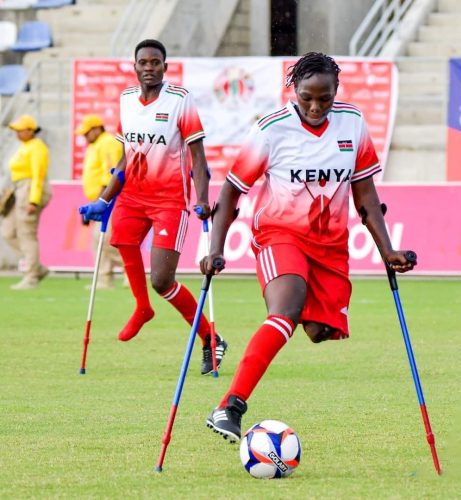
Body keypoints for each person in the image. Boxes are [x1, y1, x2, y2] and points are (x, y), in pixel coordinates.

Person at [200, 52, 416, 441]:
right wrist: (216, 248)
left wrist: (389, 250)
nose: (315, 107)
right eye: (306, 98)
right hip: (279, 233)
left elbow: (365, 194)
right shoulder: (271, 129)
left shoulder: (353, 124)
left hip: (331, 246)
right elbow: (231, 193)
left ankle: (285, 320)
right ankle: (229, 406)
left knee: (318, 330)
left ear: (336, 92)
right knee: (287, 307)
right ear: (292, 91)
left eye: (325, 98)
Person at [79, 39, 228, 375]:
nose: (149, 68)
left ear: (164, 66)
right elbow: (123, 159)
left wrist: (201, 200)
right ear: (135, 66)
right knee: (122, 240)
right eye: (143, 62)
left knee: (162, 279)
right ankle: (142, 308)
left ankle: (211, 338)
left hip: (169, 201)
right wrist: (103, 199)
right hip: (132, 195)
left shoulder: (179, 100)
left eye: (155, 62)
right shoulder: (126, 100)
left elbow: (198, 158)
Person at [75, 114, 125, 290]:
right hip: (100, 198)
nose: (84, 137)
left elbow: (111, 175)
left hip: (111, 198)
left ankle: (131, 272)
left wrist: (102, 200)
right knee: (98, 240)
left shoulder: (108, 143)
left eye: (86, 133)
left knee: (107, 238)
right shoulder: (96, 145)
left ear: (96, 129)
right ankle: (104, 279)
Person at [1, 114, 51, 290]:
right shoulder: (24, 146)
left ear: (30, 130)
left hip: (29, 190)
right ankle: (36, 267)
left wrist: (34, 200)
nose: (16, 134)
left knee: (26, 234)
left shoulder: (37, 147)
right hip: (19, 189)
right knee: (8, 232)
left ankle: (31, 276)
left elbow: (38, 175)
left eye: (19, 130)